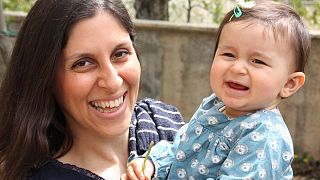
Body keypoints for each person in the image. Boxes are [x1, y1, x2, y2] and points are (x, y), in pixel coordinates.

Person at [124, 1, 310, 179]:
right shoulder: (214, 105)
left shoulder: (264, 136)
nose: (237, 68)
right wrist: (153, 164)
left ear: (289, 84)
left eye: (257, 61)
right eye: (229, 54)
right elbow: (181, 148)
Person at [0, 0, 185, 179]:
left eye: (120, 53)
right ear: (45, 77)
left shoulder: (165, 121)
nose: (113, 82)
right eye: (83, 63)